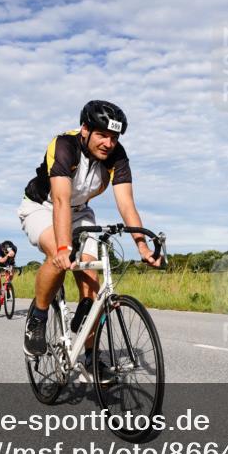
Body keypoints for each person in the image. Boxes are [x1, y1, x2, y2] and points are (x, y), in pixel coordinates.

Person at [18, 100, 160, 361]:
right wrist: (64, 247)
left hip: (80, 211)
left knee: (92, 281)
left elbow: (126, 204)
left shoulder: (117, 156)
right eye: (102, 135)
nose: (109, 143)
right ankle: (37, 317)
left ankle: (92, 357)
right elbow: (60, 199)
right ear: (85, 129)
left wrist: (142, 245)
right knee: (58, 255)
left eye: (114, 137)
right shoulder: (64, 145)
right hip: (43, 205)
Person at [0, 240, 17, 315]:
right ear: (2, 249)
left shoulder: (14, 248)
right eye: (5, 251)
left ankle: (7, 287)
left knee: (11, 273)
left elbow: (12, 261)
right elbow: (0, 261)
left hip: (7, 261)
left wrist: (11, 269)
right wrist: (8, 255)